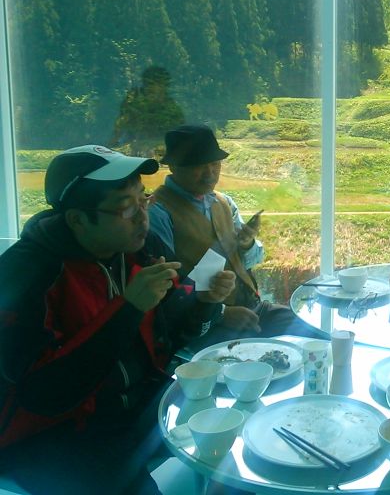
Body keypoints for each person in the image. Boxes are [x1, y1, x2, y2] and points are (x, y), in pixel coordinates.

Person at [0, 145, 233, 494]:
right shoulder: (27, 275)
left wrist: (205, 303)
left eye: (143, 199)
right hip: (56, 437)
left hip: (140, 405)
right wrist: (128, 308)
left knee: (238, 428)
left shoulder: (141, 249)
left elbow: (175, 334)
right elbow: (43, 396)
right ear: (78, 219)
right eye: (126, 207)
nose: (142, 216)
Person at [148, 124, 326, 351]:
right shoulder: (158, 213)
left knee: (318, 336)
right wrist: (221, 313)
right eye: (199, 166)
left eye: (215, 164)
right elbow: (167, 291)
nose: (210, 173)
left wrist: (247, 243)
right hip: (208, 326)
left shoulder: (224, 202)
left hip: (254, 308)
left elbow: (251, 260)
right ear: (173, 166)